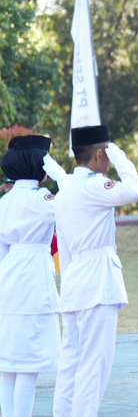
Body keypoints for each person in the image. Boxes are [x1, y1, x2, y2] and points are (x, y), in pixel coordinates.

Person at [44, 125, 138, 417]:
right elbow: (134, 190)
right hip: (98, 284)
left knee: (71, 364)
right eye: (108, 152)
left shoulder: (66, 190)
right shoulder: (94, 186)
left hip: (75, 283)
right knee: (94, 366)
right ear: (101, 153)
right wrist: (122, 156)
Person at [0, 135, 61, 417]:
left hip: (8, 274)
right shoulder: (41, 199)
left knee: (7, 358)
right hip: (33, 275)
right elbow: (71, 206)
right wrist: (62, 175)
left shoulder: (5, 201)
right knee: (28, 360)